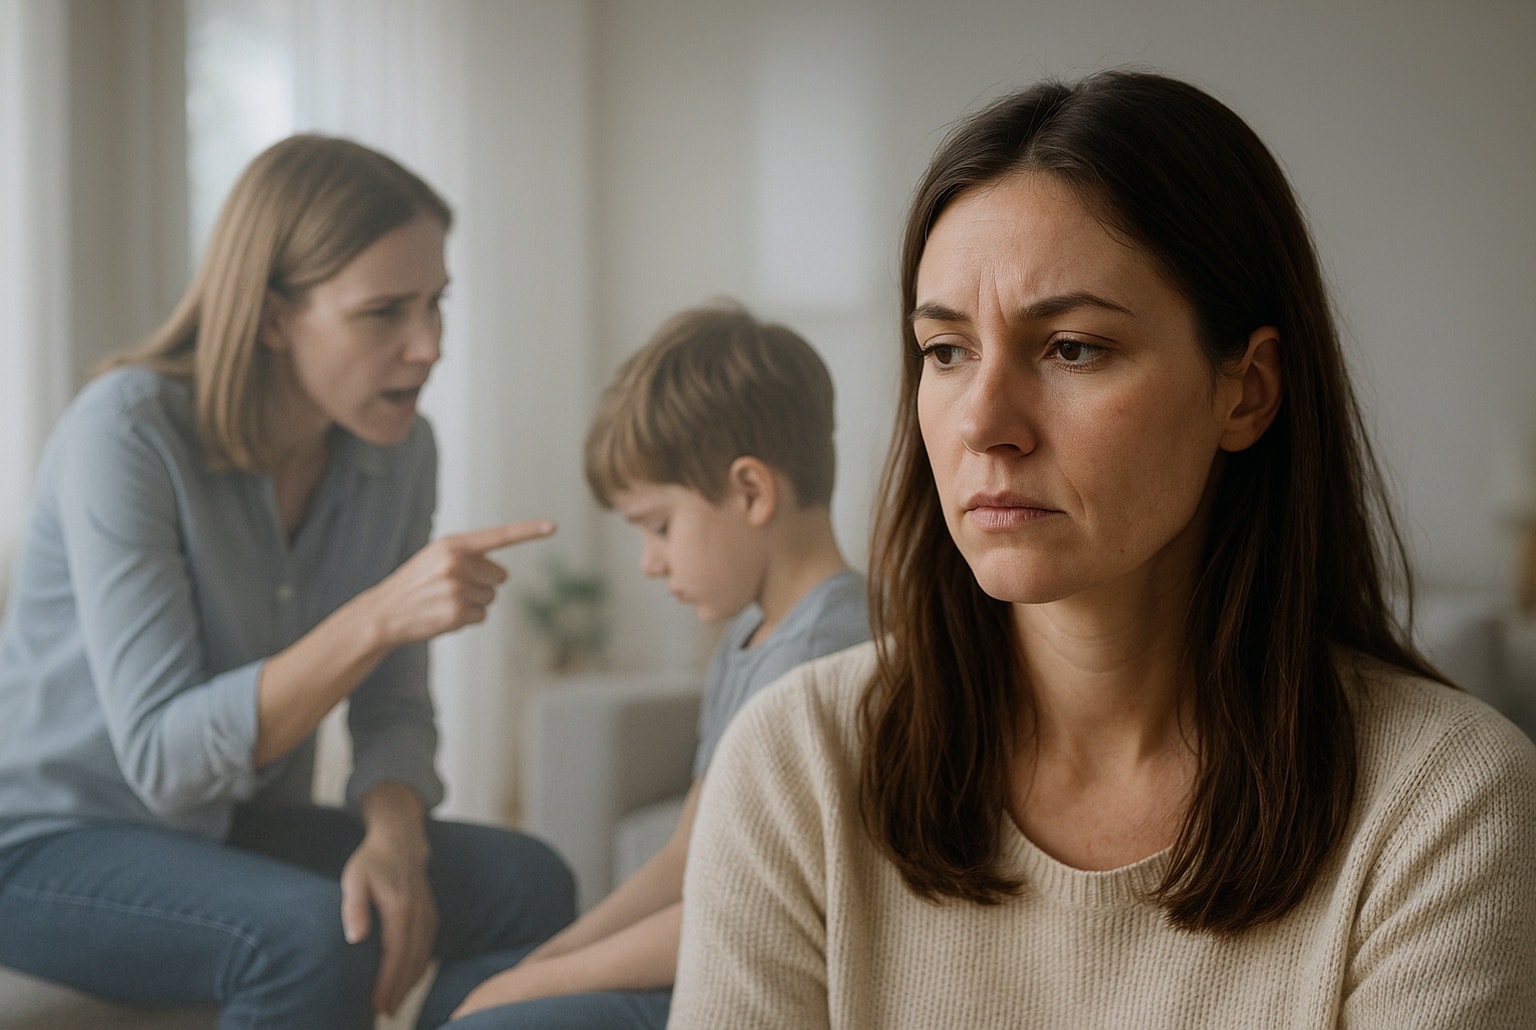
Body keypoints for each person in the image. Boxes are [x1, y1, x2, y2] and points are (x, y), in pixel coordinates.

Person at [669, 71, 1536, 1028]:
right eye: (946, 352)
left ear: (1245, 392)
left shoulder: (1445, 805)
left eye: (1074, 347)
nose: (984, 424)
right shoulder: (798, 765)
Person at [0, 134, 576, 1029]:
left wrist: (395, 837)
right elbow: (164, 758)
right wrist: (380, 615)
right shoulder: (127, 434)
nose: (428, 347)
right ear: (273, 316)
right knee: (311, 935)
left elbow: (390, 704)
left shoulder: (397, 449)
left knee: (528, 882)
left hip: (231, 829)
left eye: (436, 305)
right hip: (47, 844)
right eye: (385, 312)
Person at [444, 302, 871, 1029]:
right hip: (720, 943)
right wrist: (543, 962)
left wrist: (529, 988)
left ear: (751, 492)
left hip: (765, 979)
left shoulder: (829, 658)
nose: (650, 562)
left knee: (490, 1014)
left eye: (659, 526)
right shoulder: (753, 639)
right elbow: (686, 859)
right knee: (467, 987)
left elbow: (737, 910)